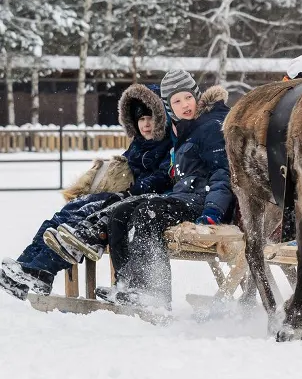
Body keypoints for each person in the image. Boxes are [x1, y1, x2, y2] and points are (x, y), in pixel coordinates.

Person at [67, 69, 234, 309]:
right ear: (168, 107)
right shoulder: (185, 130)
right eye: (176, 101)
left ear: (197, 95)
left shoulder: (210, 126)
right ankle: (127, 285)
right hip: (186, 197)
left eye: (188, 97)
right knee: (120, 212)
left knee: (148, 213)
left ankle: (154, 292)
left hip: (206, 204)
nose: (185, 105)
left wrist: (213, 212)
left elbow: (223, 173)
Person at [0, 84, 172, 299]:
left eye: (150, 118)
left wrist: (132, 187)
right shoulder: (138, 144)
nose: (146, 124)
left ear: (161, 117)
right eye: (141, 119)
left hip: (138, 199)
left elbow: (164, 177)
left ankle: (42, 270)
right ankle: (26, 265)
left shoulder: (168, 144)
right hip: (122, 193)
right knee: (65, 214)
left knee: (79, 221)